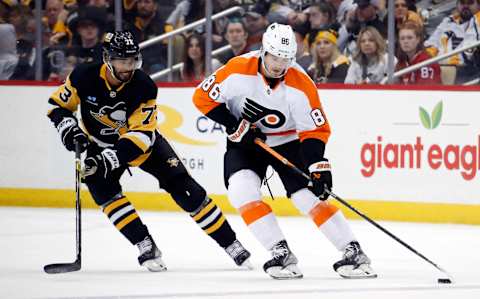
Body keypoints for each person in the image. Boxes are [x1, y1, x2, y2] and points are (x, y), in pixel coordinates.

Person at [46, 31, 251, 272]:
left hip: (146, 147)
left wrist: (110, 159)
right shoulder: (83, 76)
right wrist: (70, 131)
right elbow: (58, 105)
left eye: (132, 60)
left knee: (187, 190)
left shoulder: (144, 86)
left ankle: (231, 243)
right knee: (105, 193)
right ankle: (144, 244)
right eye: (122, 61)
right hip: (98, 145)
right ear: (107, 59)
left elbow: (140, 136)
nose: (128, 66)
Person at [192, 23, 377, 280]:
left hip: (288, 141)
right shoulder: (236, 69)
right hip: (245, 142)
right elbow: (202, 97)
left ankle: (353, 251)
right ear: (264, 51)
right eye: (275, 57)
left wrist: (317, 166)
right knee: (241, 191)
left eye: (286, 59)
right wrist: (235, 125)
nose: (280, 64)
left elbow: (314, 131)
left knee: (307, 197)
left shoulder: (301, 84)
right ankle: (280, 252)